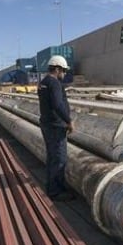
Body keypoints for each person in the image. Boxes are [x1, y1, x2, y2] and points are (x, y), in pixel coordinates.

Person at [38, 55, 75, 201]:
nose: (64, 74)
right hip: (55, 126)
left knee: (52, 157)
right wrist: (69, 121)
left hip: (47, 124)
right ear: (57, 69)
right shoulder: (54, 83)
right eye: (64, 71)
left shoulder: (43, 83)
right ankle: (55, 192)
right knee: (59, 159)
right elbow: (57, 104)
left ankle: (57, 185)